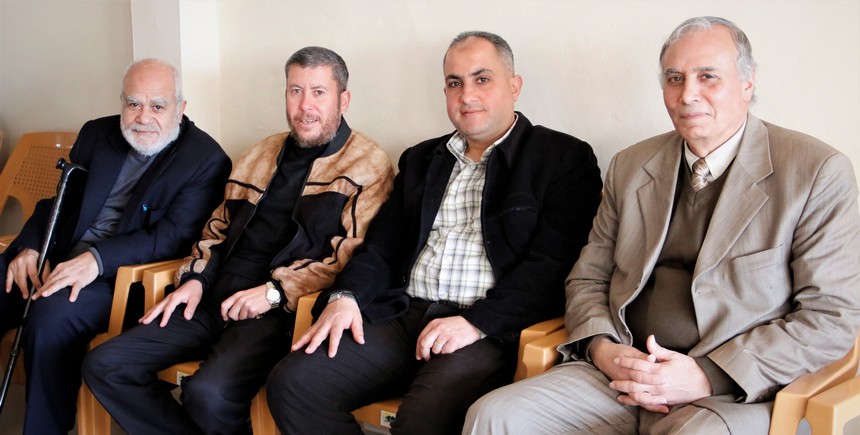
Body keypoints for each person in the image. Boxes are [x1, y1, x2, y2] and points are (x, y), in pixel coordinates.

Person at [464, 16, 860, 434]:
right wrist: (602, 349)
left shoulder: (815, 172)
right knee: (494, 417)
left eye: (708, 76)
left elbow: (830, 317)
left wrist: (708, 375)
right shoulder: (631, 166)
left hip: (727, 393)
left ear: (747, 82)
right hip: (618, 373)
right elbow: (588, 279)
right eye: (675, 78)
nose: (688, 94)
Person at [268, 31, 603, 434]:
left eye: (482, 79)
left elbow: (552, 266)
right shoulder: (422, 158)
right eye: (454, 83)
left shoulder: (562, 158)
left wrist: (474, 323)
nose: (467, 95)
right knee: (294, 385)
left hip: (488, 330)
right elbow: (382, 247)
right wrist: (346, 296)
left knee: (422, 421)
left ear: (514, 86)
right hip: (402, 314)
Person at [82, 46, 394, 435]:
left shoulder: (367, 164)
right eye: (295, 91)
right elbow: (216, 228)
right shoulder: (260, 154)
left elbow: (349, 255)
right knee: (106, 364)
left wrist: (275, 292)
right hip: (210, 299)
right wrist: (195, 278)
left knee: (208, 395)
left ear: (343, 100)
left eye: (318, 92)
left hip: (274, 314)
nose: (305, 106)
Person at [0, 58, 231, 435]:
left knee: (50, 315)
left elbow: (171, 237)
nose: (143, 117)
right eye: (133, 103)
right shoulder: (97, 133)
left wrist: (96, 260)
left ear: (180, 108)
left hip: (119, 279)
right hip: (54, 258)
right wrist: (29, 247)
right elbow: (58, 202)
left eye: (158, 106)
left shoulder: (204, 159)